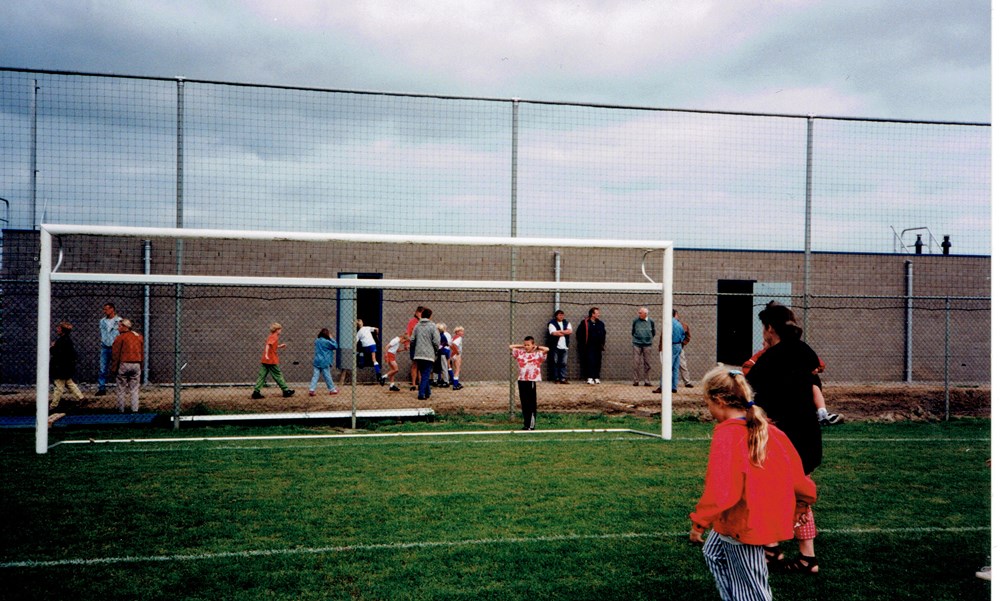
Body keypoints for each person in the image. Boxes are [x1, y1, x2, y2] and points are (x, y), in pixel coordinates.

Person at [689, 365, 817, 601]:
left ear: (719, 400)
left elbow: (722, 489)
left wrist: (699, 522)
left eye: (707, 402)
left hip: (744, 521)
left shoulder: (729, 435)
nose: (708, 409)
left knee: (752, 592)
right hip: (743, 517)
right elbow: (799, 476)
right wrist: (803, 502)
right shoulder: (768, 430)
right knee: (714, 554)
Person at [744, 301, 824, 573]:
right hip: (809, 436)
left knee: (773, 494)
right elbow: (814, 385)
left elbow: (751, 396)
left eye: (764, 328)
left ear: (770, 328)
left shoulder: (769, 359)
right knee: (798, 495)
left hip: (784, 439)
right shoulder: (805, 352)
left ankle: (775, 550)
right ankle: (799, 554)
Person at [743, 345, 842, 426]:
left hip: (794, 389)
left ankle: (822, 413)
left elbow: (820, 365)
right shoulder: (763, 355)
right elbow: (747, 367)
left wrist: (813, 369)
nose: (765, 343)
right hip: (774, 390)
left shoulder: (793, 352)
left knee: (812, 379)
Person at [510, 336, 549, 430]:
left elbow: (547, 349)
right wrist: (522, 346)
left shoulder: (537, 355)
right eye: (525, 345)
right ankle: (526, 424)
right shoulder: (520, 353)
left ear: (533, 345)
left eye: (528, 345)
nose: (526, 346)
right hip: (522, 380)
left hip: (530, 381)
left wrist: (537, 347)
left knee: (531, 403)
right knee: (524, 403)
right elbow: (511, 346)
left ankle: (531, 425)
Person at [251, 322, 295, 399]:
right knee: (278, 374)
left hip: (265, 360)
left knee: (262, 375)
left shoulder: (271, 336)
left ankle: (256, 392)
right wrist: (267, 354)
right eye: (280, 329)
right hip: (271, 360)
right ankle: (285, 390)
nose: (281, 331)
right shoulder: (274, 337)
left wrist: (279, 346)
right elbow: (268, 345)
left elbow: (271, 346)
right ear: (277, 330)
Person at [110, 318, 144, 413]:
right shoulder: (138, 336)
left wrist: (114, 367)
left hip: (124, 363)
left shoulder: (120, 338)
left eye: (120, 326)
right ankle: (135, 409)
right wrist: (141, 364)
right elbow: (142, 352)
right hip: (136, 363)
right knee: (134, 388)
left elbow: (115, 354)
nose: (118, 328)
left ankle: (121, 409)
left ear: (125, 327)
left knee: (121, 388)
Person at [50, 321, 84, 410]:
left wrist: (52, 347)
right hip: (65, 367)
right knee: (69, 383)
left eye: (59, 328)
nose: (57, 329)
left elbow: (55, 353)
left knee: (59, 387)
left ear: (62, 330)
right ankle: (80, 398)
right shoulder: (68, 341)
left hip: (60, 368)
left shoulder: (61, 341)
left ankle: (54, 405)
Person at [410, 308, 438, 401]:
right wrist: (436, 350)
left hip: (418, 354)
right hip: (429, 354)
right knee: (426, 374)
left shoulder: (417, 326)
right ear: (430, 316)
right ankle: (421, 393)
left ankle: (428, 392)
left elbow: (412, 340)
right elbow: (436, 341)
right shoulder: (432, 326)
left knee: (423, 372)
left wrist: (416, 348)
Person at [96, 302, 122, 396]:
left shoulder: (119, 321)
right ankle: (101, 388)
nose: (104, 311)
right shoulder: (102, 321)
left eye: (106, 309)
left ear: (112, 309)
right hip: (105, 346)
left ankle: (120, 387)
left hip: (115, 347)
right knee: (103, 368)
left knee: (118, 368)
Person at [577, 307, 606, 385]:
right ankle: (590, 377)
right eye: (597, 313)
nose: (599, 314)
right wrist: (582, 344)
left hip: (598, 346)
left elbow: (603, 333)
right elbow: (579, 334)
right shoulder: (585, 323)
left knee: (597, 361)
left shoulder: (600, 323)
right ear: (592, 314)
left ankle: (596, 377)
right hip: (588, 346)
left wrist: (602, 343)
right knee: (589, 361)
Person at [308, 328, 339, 396]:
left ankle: (312, 389)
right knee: (327, 375)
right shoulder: (326, 342)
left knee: (315, 376)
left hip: (317, 360)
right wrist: (331, 338)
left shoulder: (317, 341)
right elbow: (335, 346)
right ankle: (332, 389)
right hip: (324, 361)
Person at [631, 307, 656, 387]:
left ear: (645, 314)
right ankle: (636, 380)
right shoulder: (635, 321)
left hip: (647, 344)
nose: (639, 314)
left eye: (640, 313)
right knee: (636, 363)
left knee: (647, 363)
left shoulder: (651, 321)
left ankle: (647, 381)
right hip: (637, 344)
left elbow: (653, 332)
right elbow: (633, 331)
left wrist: (648, 338)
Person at [355, 319, 385, 385]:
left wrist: (356, 350)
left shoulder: (358, 333)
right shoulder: (367, 328)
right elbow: (377, 329)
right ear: (362, 323)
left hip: (365, 346)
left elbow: (355, 342)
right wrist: (377, 335)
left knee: (361, 351)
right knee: (374, 359)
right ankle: (378, 374)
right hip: (372, 344)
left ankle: (361, 363)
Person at [546, 310, 572, 384]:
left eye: (562, 315)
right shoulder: (552, 323)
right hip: (555, 346)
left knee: (563, 363)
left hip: (564, 346)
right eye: (560, 315)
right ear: (556, 316)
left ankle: (563, 378)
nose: (561, 316)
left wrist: (560, 332)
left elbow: (570, 331)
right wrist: (564, 332)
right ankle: (556, 378)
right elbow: (553, 333)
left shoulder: (566, 322)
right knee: (555, 362)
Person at [407, 306, 424, 391]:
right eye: (420, 312)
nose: (421, 314)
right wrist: (407, 343)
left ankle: (421, 382)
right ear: (417, 312)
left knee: (421, 365)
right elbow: (408, 333)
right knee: (414, 364)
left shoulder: (424, 322)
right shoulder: (412, 322)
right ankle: (413, 384)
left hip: (422, 345)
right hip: (414, 345)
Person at [676, 310, 695, 388]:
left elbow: (688, 336)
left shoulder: (683, 325)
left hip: (679, 347)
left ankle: (687, 382)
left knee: (683, 365)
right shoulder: (668, 324)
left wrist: (683, 343)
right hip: (670, 348)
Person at [433, 322, 453, 387]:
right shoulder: (440, 335)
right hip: (440, 352)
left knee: (444, 366)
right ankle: (435, 380)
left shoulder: (442, 336)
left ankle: (446, 381)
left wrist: (438, 348)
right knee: (436, 366)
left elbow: (443, 344)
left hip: (442, 353)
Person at [670, 310, 685, 393]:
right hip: (678, 345)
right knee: (675, 367)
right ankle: (674, 386)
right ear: (675, 315)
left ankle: (663, 386)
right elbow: (683, 334)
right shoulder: (679, 324)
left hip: (672, 345)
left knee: (667, 366)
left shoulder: (669, 323)